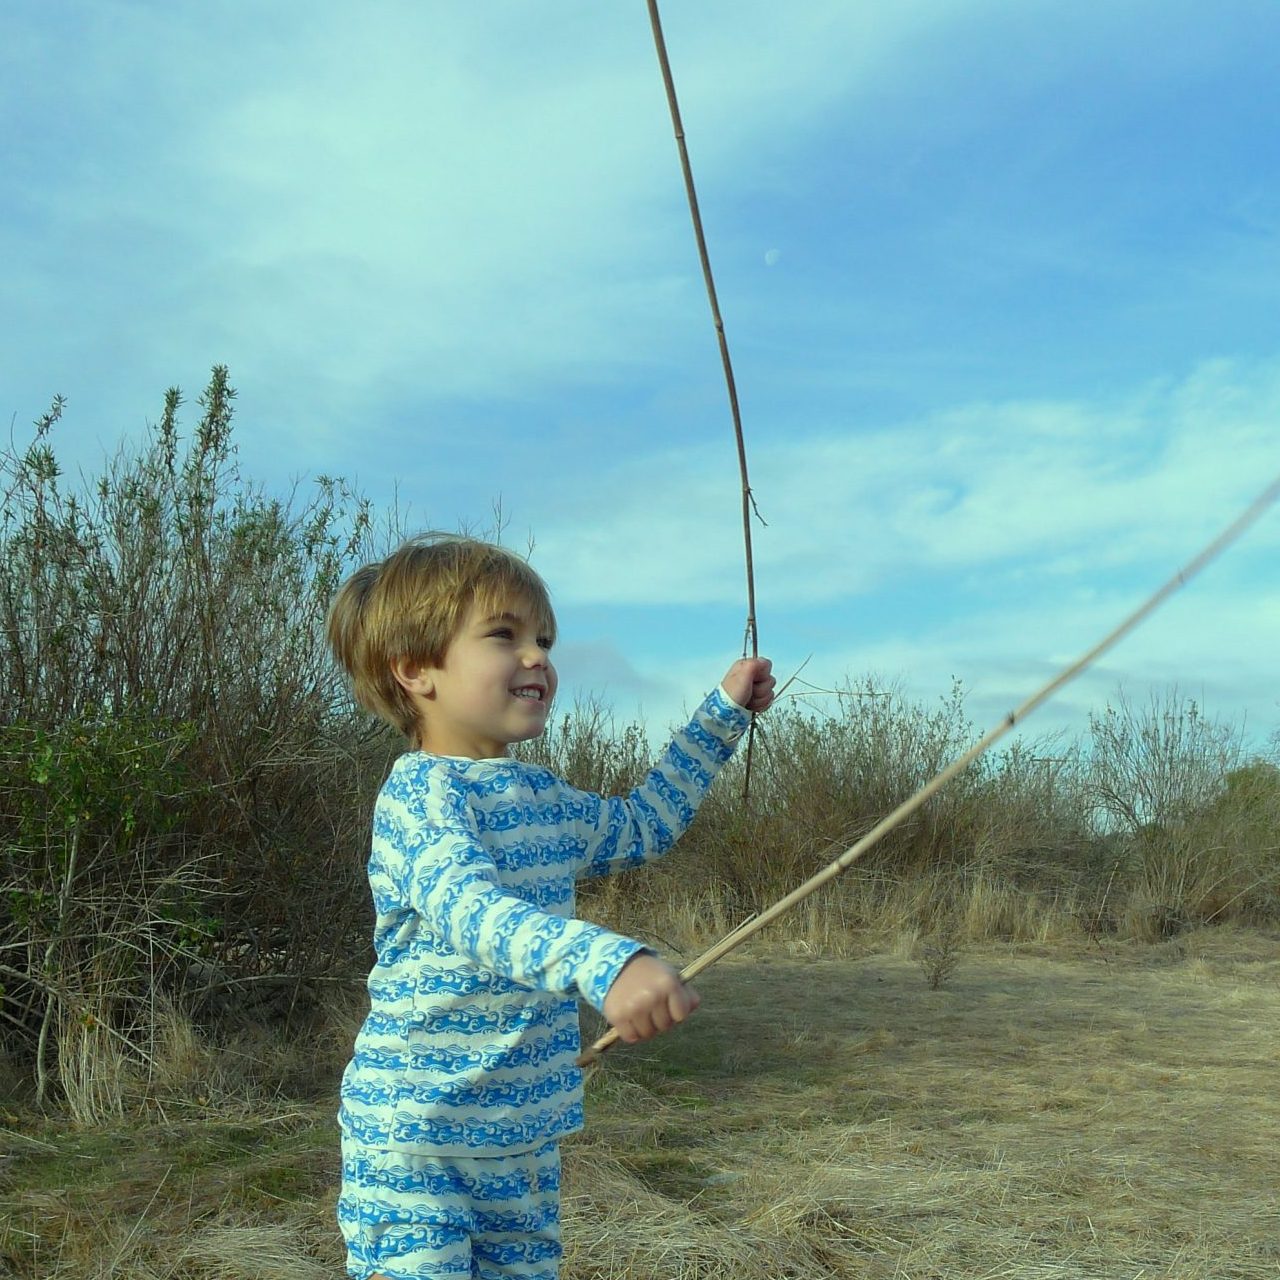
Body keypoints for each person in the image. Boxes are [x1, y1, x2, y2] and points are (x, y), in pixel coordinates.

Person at [325, 534, 774, 1280]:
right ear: (415, 671)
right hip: (415, 1139)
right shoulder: (419, 796)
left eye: (544, 639)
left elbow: (643, 823)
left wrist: (722, 715)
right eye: (505, 636)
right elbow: (475, 914)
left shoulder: (542, 797)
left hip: (521, 1136)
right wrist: (609, 962)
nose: (537, 656)